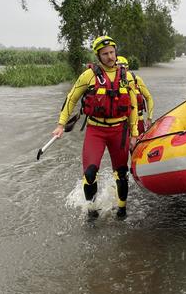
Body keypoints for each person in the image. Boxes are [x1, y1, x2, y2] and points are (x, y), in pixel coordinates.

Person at [52, 36, 139, 220]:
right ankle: (91, 211)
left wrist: (134, 134)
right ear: (98, 56)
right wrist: (61, 124)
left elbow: (133, 107)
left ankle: (121, 210)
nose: (110, 57)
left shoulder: (127, 77)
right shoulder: (88, 76)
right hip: (96, 130)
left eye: (112, 52)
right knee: (90, 173)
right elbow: (72, 98)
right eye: (105, 54)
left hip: (119, 131)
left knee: (122, 173)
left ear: (116, 52)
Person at [116, 56, 154, 134]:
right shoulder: (111, 84)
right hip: (120, 123)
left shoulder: (136, 80)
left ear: (127, 69)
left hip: (138, 120)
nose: (122, 73)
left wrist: (149, 118)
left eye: (123, 70)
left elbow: (148, 98)